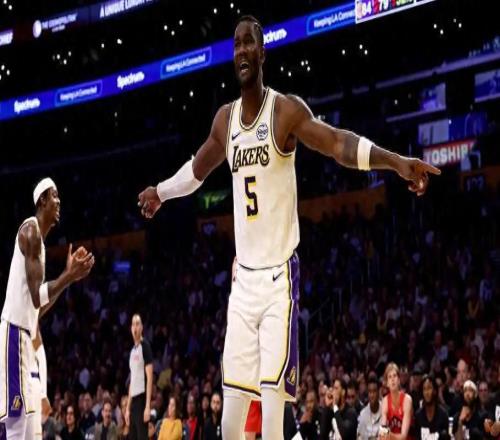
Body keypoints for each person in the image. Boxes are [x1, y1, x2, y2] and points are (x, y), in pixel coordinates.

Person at [137, 16, 440, 439]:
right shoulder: (225, 121)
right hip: (243, 283)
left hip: (279, 282)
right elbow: (196, 171)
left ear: (263, 53)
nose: (242, 51)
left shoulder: (285, 111)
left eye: (249, 43)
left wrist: (395, 162)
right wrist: (161, 192)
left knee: (272, 418)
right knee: (229, 423)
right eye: (236, 44)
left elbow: (337, 143)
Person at [0, 177, 94, 439]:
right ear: (42, 200)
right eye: (54, 196)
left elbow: (37, 310)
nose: (59, 201)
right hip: (13, 336)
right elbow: (36, 297)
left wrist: (68, 279)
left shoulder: (39, 244)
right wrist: (67, 276)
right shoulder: (30, 232)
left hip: (25, 337)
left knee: (30, 428)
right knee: (15, 425)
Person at [125, 314, 153, 440]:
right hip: (133, 403)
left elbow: (150, 378)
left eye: (137, 324)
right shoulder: (132, 351)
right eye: (133, 324)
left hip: (142, 400)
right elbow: (132, 381)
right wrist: (127, 408)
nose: (135, 327)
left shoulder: (145, 346)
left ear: (141, 327)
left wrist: (147, 406)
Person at [379, 363, 413, 440]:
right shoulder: (385, 401)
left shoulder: (407, 400)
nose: (392, 379)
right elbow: (383, 429)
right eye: (389, 377)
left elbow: (403, 436)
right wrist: (383, 435)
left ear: (399, 380)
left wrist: (388, 434)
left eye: (394, 376)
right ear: (387, 383)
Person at [414, 375, 448, 440]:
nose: (427, 392)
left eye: (429, 388)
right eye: (424, 389)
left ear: (435, 391)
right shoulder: (418, 415)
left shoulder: (443, 415)